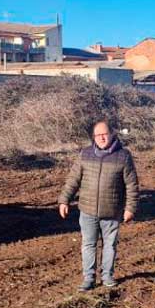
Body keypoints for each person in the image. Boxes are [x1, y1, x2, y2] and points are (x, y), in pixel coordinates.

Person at [58, 120, 140, 290]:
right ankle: (89, 278)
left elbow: (132, 185)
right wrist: (64, 200)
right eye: (98, 135)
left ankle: (107, 276)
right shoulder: (85, 154)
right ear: (93, 137)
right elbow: (73, 179)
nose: (101, 138)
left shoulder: (123, 156)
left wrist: (130, 208)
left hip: (112, 211)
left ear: (112, 135)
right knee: (88, 244)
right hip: (87, 210)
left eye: (104, 134)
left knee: (109, 245)